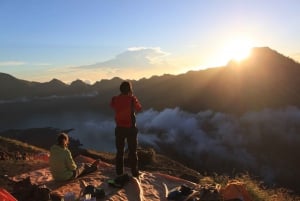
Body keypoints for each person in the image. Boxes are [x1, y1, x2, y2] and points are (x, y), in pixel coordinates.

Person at [110, 81, 142, 178]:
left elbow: (112, 106)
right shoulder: (132, 99)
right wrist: (132, 97)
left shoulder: (115, 99)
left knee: (120, 151)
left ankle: (119, 172)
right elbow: (139, 108)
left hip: (119, 129)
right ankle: (134, 172)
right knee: (133, 151)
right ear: (129, 89)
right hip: (131, 129)